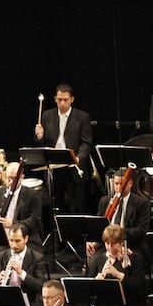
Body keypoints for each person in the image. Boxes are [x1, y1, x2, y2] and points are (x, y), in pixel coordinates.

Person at [84, 224, 147, 306]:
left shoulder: (133, 259)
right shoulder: (97, 259)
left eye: (113, 244)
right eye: (107, 243)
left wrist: (118, 274)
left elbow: (139, 286)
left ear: (121, 243)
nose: (109, 247)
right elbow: (87, 286)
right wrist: (95, 282)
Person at [34, 83, 94, 214]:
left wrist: (78, 158)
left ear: (72, 99)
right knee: (55, 204)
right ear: (55, 98)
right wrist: (39, 136)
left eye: (65, 100)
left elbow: (87, 143)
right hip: (54, 167)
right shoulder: (46, 115)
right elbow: (42, 142)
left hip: (73, 166)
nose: (62, 103)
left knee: (76, 206)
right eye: (59, 99)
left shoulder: (82, 117)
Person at [0, 160, 44, 243]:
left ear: (22, 177)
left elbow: (35, 220)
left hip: (25, 241)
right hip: (1, 242)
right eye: (8, 178)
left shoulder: (32, 195)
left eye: (14, 178)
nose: (10, 182)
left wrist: (13, 224)